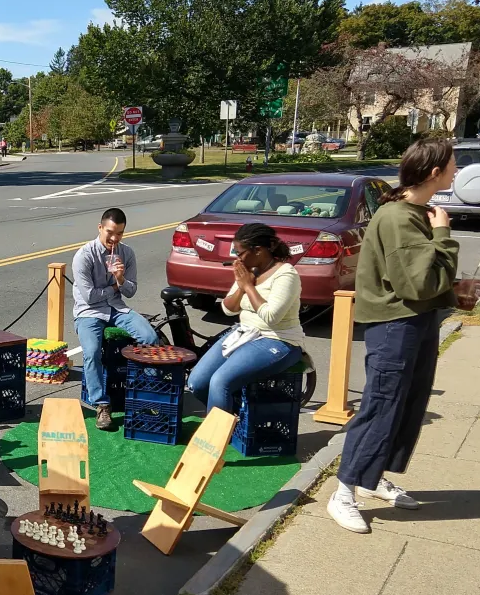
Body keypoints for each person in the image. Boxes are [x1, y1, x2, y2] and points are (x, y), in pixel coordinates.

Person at [327, 136, 459, 534]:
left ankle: (371, 478)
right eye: (453, 163)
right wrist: (443, 236)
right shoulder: (401, 217)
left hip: (415, 322)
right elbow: (418, 283)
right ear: (435, 173)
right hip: (395, 325)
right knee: (382, 405)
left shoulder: (414, 211)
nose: (457, 170)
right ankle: (344, 491)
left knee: (407, 404)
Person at [186, 223, 305, 413]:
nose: (237, 258)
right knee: (196, 382)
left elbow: (270, 317)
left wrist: (248, 286)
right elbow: (228, 309)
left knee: (220, 381)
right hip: (244, 334)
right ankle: (231, 420)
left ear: (258, 251)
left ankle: (217, 438)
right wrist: (242, 286)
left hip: (278, 340)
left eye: (240, 253)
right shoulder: (248, 271)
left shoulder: (286, 274)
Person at [73, 207, 160, 430]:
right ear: (100, 228)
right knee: (92, 352)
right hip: (89, 312)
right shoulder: (84, 255)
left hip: (117, 309)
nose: (113, 238)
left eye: (119, 233)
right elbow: (90, 297)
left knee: (150, 336)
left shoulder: (126, 253)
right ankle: (102, 405)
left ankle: (147, 392)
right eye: (110, 232)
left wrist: (121, 278)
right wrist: (115, 286)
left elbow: (131, 291)